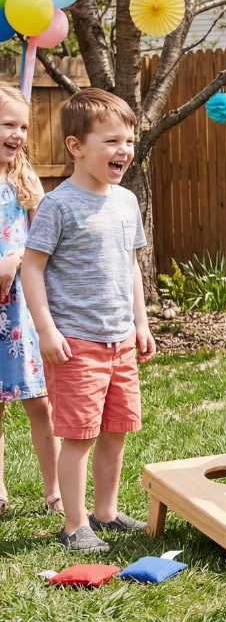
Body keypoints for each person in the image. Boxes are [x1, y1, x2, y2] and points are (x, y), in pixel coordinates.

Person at [22, 89, 156, 553]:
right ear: (76, 146)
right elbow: (31, 266)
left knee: (116, 431)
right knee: (79, 436)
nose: (124, 150)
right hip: (76, 343)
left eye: (129, 140)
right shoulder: (59, 206)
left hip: (120, 341)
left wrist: (141, 322)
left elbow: (131, 265)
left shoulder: (126, 202)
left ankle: (106, 511)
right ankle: (74, 523)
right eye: (112, 140)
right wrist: (46, 329)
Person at [0, 84, 61, 518]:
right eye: (8, 124)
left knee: (39, 399)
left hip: (19, 308)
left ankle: (55, 491)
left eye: (23, 126)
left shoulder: (24, 179)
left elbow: (41, 242)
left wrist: (15, 258)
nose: (18, 134)